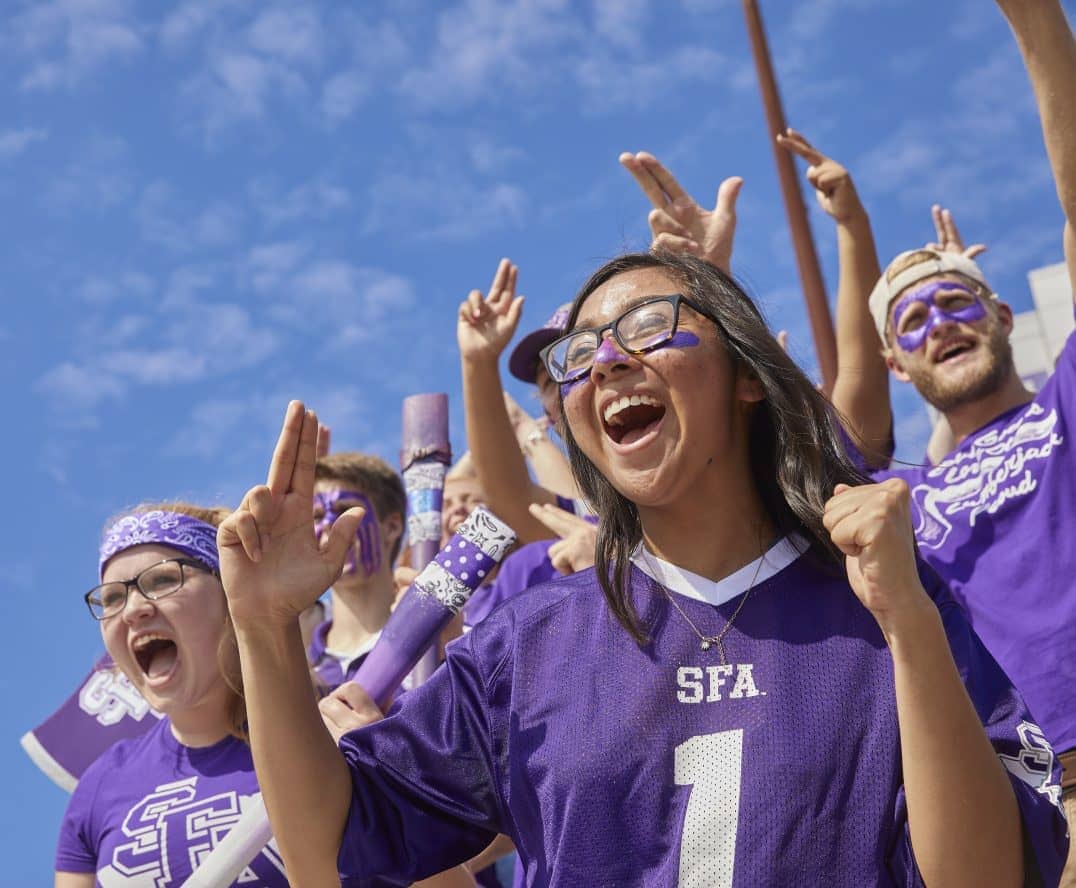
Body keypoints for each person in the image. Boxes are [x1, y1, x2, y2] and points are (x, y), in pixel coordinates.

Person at [218, 251, 1068, 886]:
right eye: (579, 355)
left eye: (648, 328)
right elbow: (325, 843)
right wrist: (263, 632)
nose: (608, 363)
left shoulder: (887, 599)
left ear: (744, 375)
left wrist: (908, 624)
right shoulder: (525, 646)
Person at [817, 5, 1076, 878]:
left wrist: (1037, 23)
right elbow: (838, 425)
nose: (939, 324)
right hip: (1023, 811)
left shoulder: (1064, 406)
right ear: (897, 363)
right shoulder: (896, 498)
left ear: (1002, 316)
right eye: (914, 321)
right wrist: (851, 238)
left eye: (958, 302)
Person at [55, 503, 287, 888]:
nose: (132, 610)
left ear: (232, 597)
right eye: (111, 598)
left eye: (162, 580)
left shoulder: (323, 738)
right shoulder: (99, 786)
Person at [458, 259, 584, 545]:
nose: (568, 383)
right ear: (550, 416)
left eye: (580, 356)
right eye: (550, 381)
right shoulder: (586, 514)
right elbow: (512, 500)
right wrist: (478, 361)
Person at [307, 452, 407, 694]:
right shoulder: (297, 670)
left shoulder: (439, 646)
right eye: (317, 516)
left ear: (392, 527)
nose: (328, 524)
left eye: (344, 510)